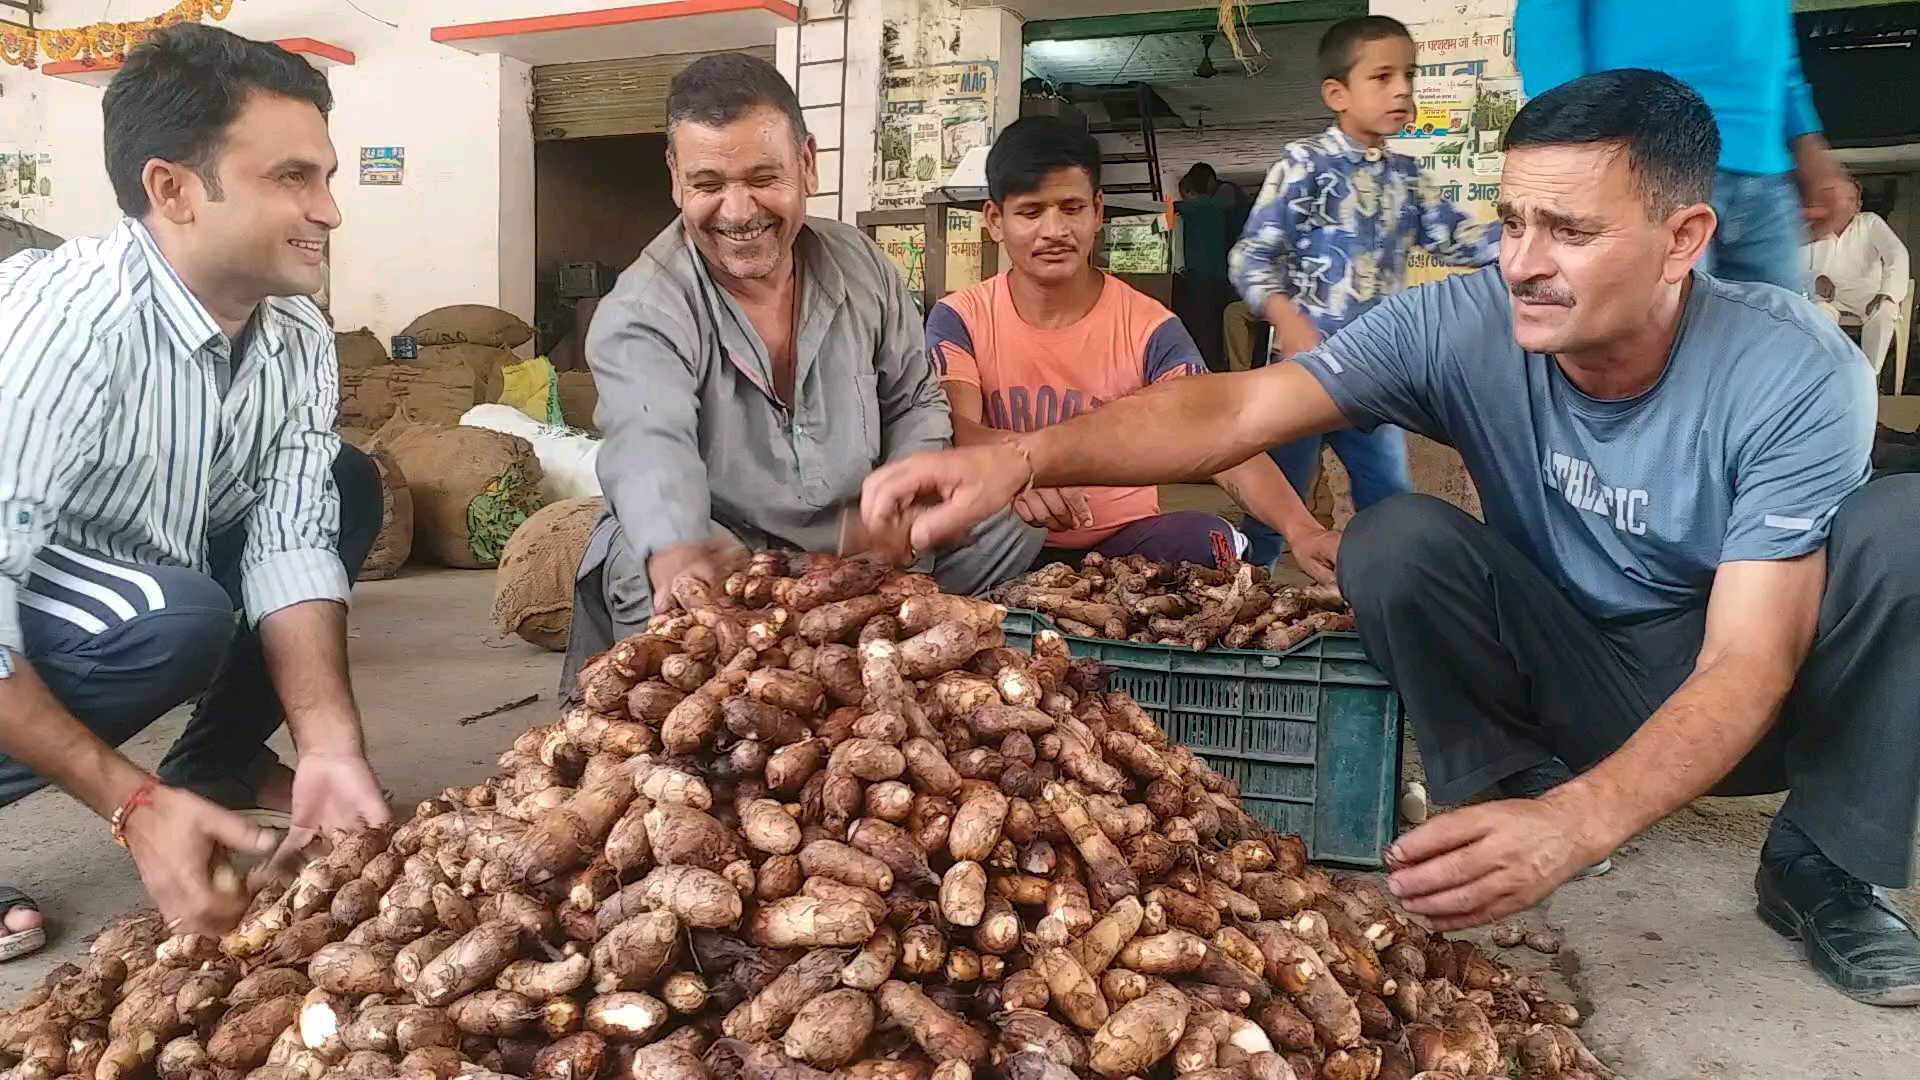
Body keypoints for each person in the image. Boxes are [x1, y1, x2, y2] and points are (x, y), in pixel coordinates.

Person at [861, 70, 1920, 1006]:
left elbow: (1750, 661)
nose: (1524, 263)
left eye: (1571, 232)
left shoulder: (1790, 370)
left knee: (1903, 528)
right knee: (1393, 536)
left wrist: (1585, 824)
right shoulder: (1464, 325)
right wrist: (1020, 460)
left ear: (1684, 240)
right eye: (1511, 222)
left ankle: (1820, 858)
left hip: (1762, 701)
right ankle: (1498, 795)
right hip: (1575, 668)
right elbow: (1234, 412)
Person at [0, 26, 391, 952]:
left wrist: (329, 744)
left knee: (345, 484)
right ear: (171, 189)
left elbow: (292, 535)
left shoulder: (294, 331)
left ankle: (212, 763)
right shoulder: (67, 328)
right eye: (292, 178)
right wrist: (130, 803)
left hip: (120, 555)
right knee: (172, 615)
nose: (328, 211)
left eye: (327, 176)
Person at [563, 53, 1041, 688]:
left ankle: (879, 658)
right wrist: (679, 543)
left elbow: (913, 399)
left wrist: (902, 495)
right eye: (708, 185)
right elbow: (648, 442)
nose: (737, 212)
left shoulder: (861, 264)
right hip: (731, 551)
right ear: (676, 180)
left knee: (1009, 524)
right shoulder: (642, 309)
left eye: (764, 177)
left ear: (807, 165)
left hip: (861, 537)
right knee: (639, 560)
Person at [927, 118, 1337, 576]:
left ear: (1098, 212)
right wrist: (1016, 473)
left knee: (1210, 543)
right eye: (1030, 212)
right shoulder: (960, 317)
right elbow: (952, 428)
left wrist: (1303, 530)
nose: (1054, 229)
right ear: (995, 220)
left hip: (1120, 543)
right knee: (940, 548)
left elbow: (1217, 429)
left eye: (1071, 207)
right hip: (1007, 534)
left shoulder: (1149, 326)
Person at [1228, 16, 1497, 569]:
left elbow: (1460, 239)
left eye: (1409, 75)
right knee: (1278, 506)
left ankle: (1380, 603)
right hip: (1303, 376)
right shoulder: (1305, 164)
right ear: (1337, 93)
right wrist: (1293, 324)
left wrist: (1532, 235)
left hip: (1376, 376)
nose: (1402, 89)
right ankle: (1240, 604)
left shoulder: (1406, 176)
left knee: (1389, 494)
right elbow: (1251, 257)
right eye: (1382, 77)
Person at [1516, 0, 1852, 289]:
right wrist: (1577, 146)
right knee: (1656, 349)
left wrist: (1809, 144)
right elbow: (1546, 25)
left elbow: (1776, 41)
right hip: (1646, 161)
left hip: (1763, 175)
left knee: (1781, 348)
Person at [1803, 178, 1909, 377]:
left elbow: (1897, 253)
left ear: (1858, 206)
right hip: (1828, 301)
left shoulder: (1870, 222)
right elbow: (1794, 267)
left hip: (1866, 299)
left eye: (1850, 199)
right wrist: (1814, 279)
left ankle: (1868, 379)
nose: (1842, 204)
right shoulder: (1816, 228)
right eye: (1837, 199)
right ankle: (1825, 380)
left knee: (1885, 311)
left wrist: (1887, 293)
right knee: (1815, 315)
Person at [1172, 163, 1248, 372]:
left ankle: (1206, 367)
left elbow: (1171, 209)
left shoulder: (1200, 206)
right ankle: (1218, 364)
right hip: (1220, 275)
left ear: (1190, 192)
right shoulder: (1217, 208)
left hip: (1200, 277)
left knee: (1202, 325)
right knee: (1216, 323)